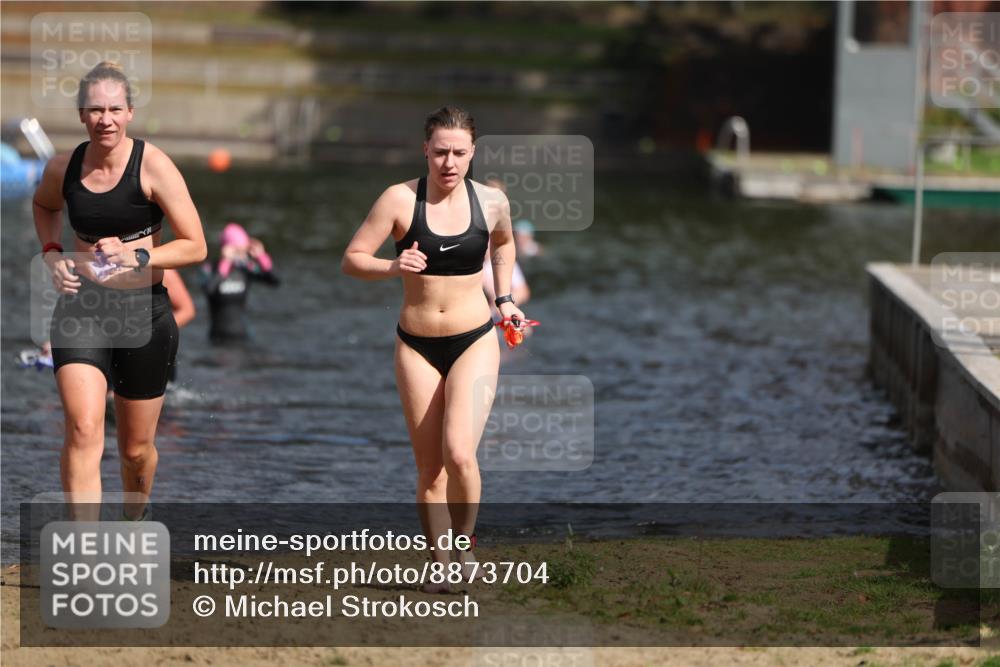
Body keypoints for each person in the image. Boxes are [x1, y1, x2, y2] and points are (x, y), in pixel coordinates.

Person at [342, 106, 526, 592]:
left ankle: (464, 551)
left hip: (474, 339)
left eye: (459, 153)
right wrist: (392, 265)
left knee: (460, 454)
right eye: (440, 151)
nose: (449, 162)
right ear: (426, 149)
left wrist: (504, 299)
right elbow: (352, 259)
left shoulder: (490, 203)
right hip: (416, 345)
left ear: (473, 154)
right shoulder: (399, 200)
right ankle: (439, 562)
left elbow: (504, 246)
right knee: (430, 469)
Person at [32, 62, 207, 517]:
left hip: (144, 313)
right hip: (81, 308)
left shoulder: (154, 165)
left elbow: (196, 246)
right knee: (84, 428)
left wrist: (141, 256)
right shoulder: (63, 168)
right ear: (82, 116)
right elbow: (44, 204)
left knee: (135, 450)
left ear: (129, 112)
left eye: (114, 108)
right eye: (94, 109)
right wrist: (52, 252)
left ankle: (135, 516)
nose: (104, 118)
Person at [201, 222, 279, 344]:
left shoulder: (245, 269)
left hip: (242, 337)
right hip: (217, 338)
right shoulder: (211, 268)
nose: (241, 255)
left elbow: (273, 281)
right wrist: (225, 264)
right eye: (238, 250)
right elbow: (209, 290)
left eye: (243, 250)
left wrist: (261, 257)